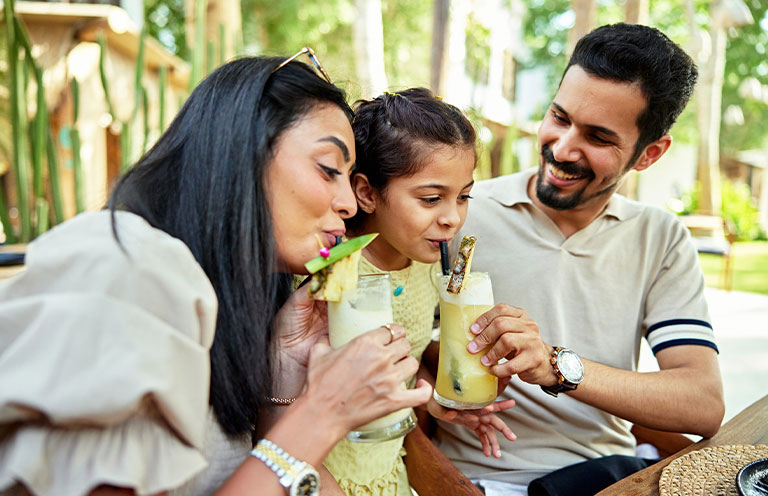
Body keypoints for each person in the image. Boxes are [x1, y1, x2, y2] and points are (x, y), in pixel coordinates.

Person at [0, 53, 431, 496]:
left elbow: (273, 475)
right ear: (241, 149)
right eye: (328, 169)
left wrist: (280, 375)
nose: (350, 203)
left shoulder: (227, 298)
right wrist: (324, 412)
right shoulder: (124, 265)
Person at [431, 23, 725, 496]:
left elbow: (703, 403)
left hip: (611, 477)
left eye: (598, 137)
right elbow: (410, 346)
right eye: (559, 117)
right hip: (481, 480)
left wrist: (556, 366)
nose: (563, 148)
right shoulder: (459, 215)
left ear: (649, 154)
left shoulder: (661, 238)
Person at [321, 88, 516, 496]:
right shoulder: (328, 272)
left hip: (391, 474)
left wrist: (437, 400)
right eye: (431, 199)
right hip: (323, 473)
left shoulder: (428, 270)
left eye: (464, 196)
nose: (452, 218)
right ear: (367, 193)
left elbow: (404, 365)